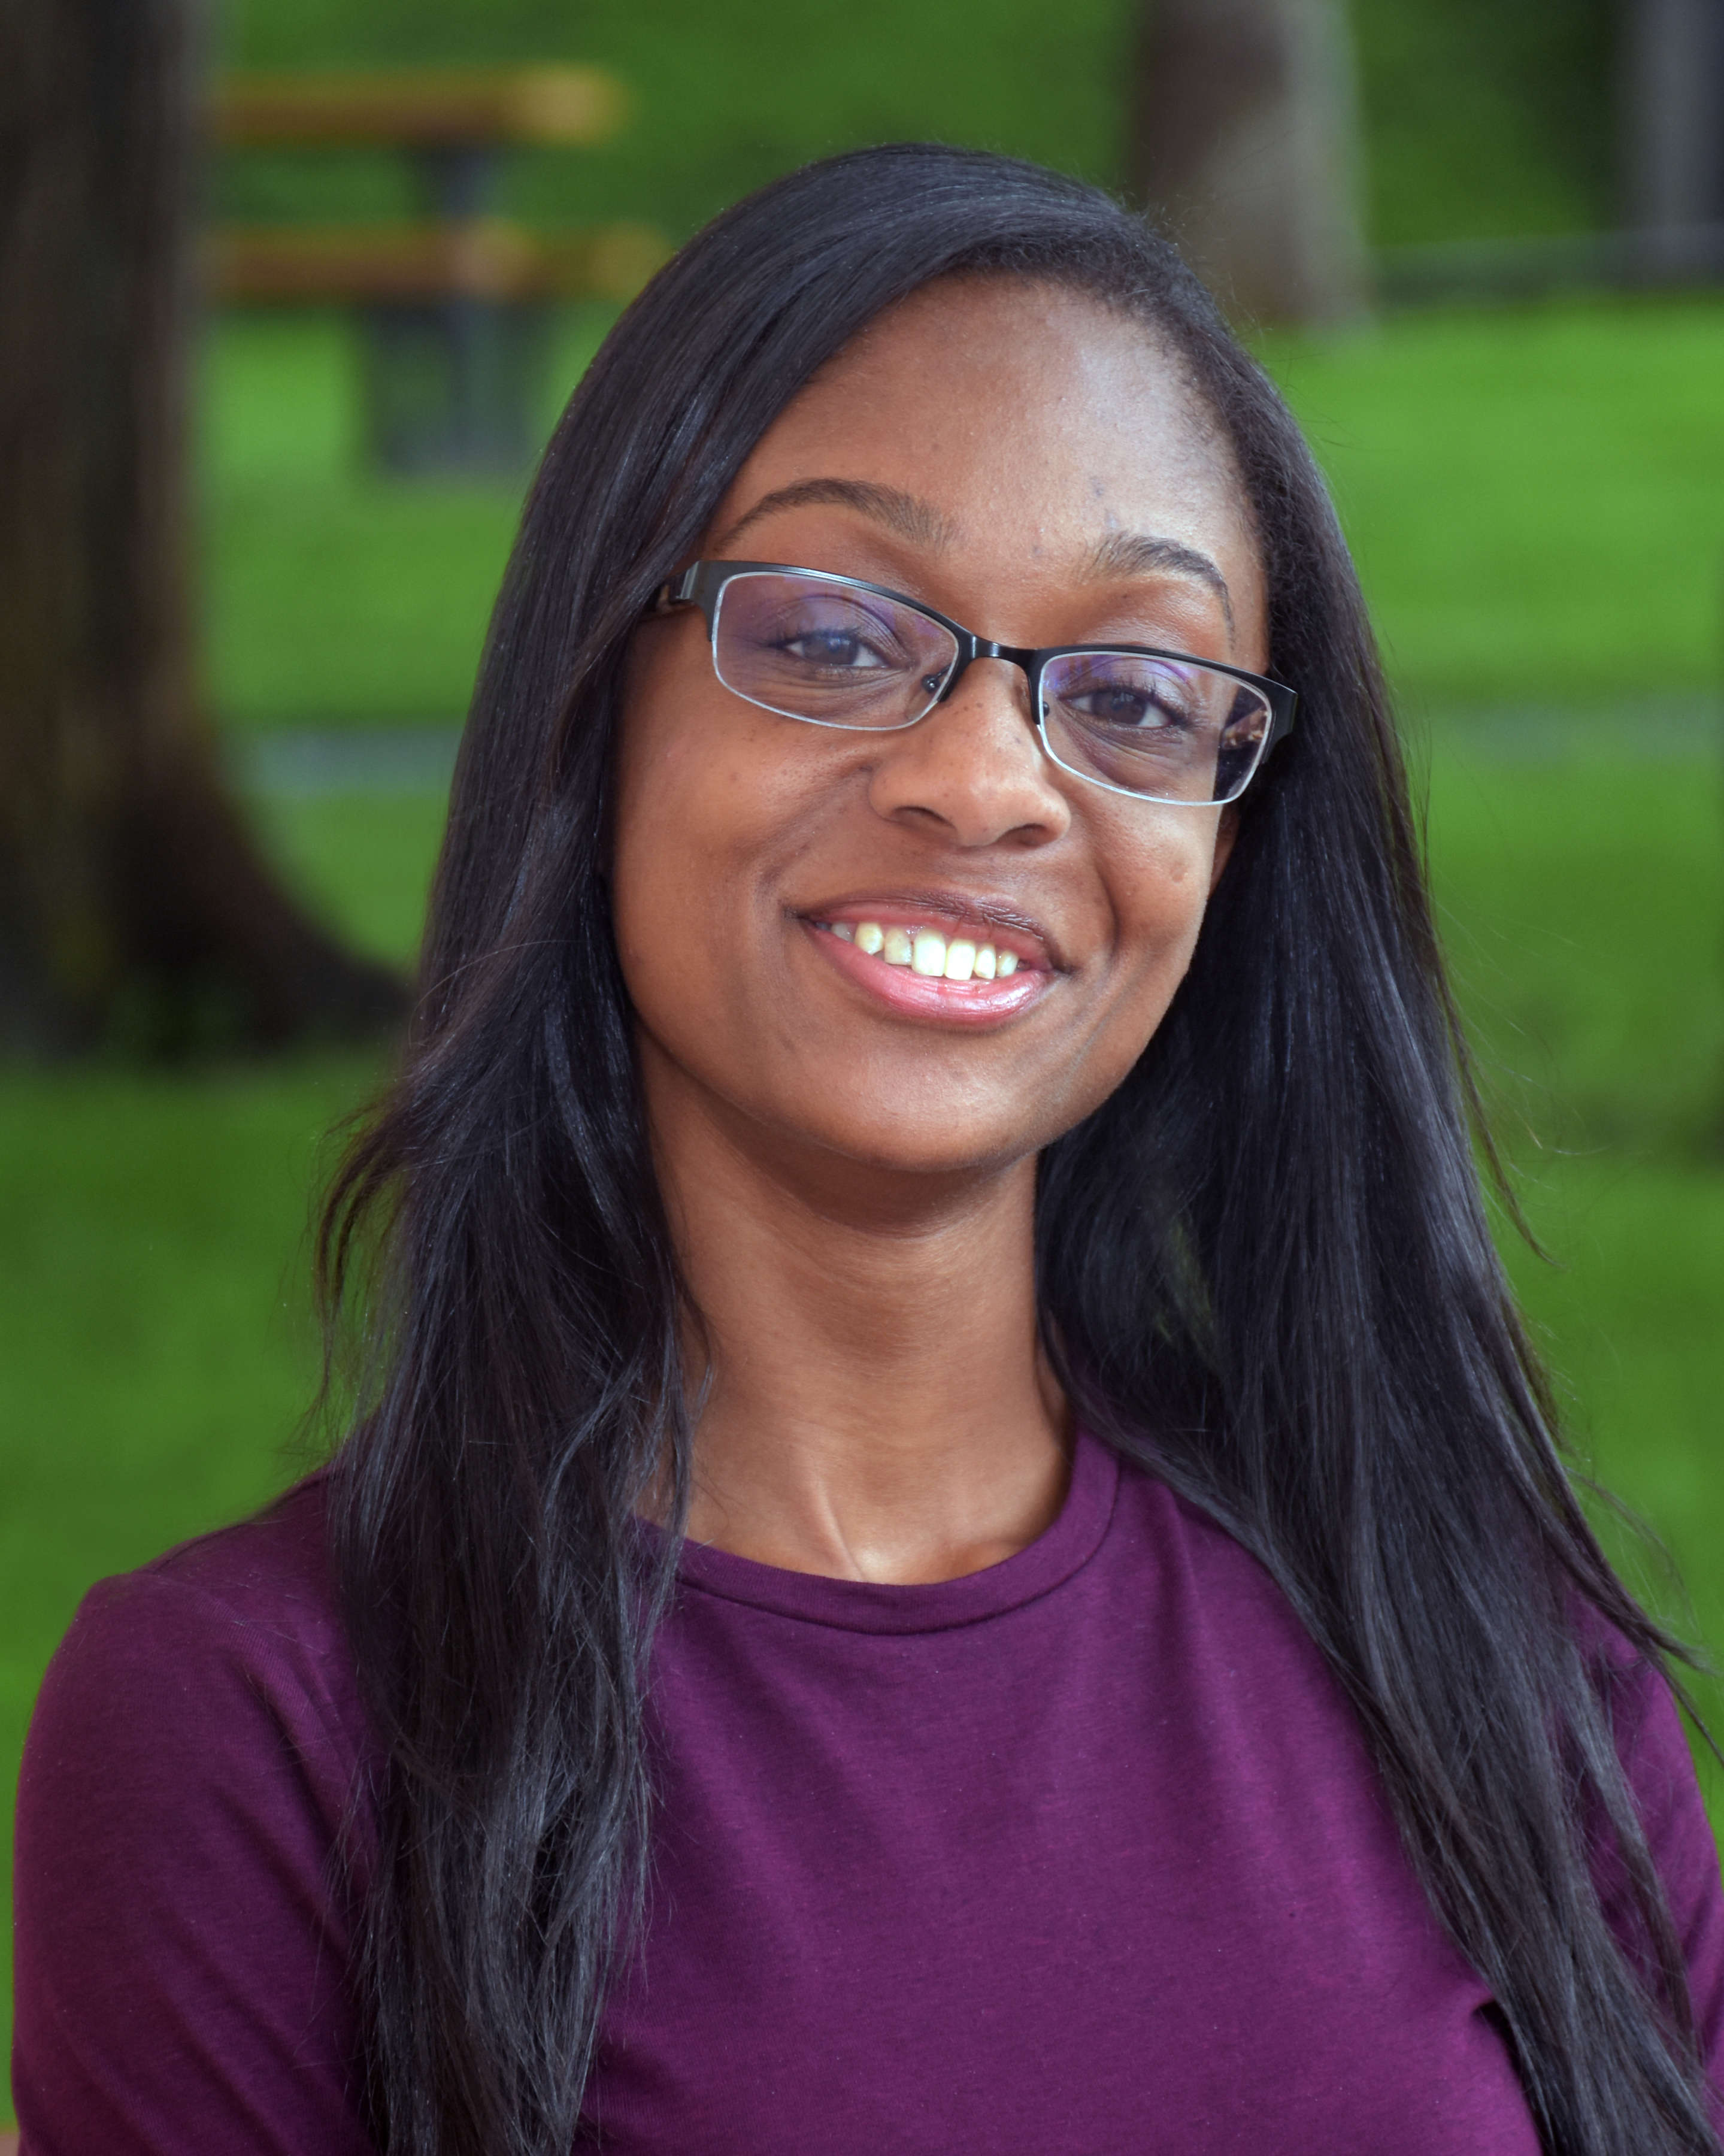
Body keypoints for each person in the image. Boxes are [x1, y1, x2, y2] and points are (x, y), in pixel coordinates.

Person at [10, 144, 1724, 2156]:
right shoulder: (258, 1730)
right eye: (832, 637)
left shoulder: (1491, 1650)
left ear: (1231, 841)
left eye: (1140, 693)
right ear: (596, 703)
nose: (987, 781)